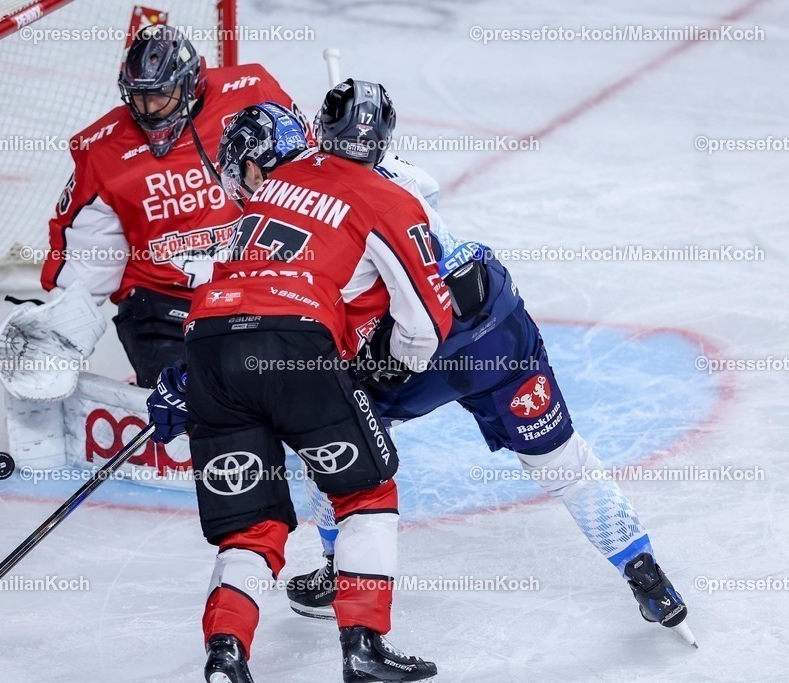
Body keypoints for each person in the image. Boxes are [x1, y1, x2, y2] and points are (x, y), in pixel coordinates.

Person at [282, 80, 695, 648]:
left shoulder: (332, 199)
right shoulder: (403, 174)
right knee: (563, 462)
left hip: (424, 343)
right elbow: (422, 193)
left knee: (326, 442)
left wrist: (390, 365)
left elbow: (409, 316)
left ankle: (338, 570)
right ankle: (645, 571)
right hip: (498, 325)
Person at [148, 100, 451, 682]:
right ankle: (362, 647)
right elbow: (427, 323)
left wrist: (185, 379)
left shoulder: (267, 193)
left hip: (209, 343)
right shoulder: (388, 194)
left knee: (251, 525)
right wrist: (395, 364)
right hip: (296, 341)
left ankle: (226, 653)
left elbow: (227, 290)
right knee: (365, 493)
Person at [40, 24, 301, 387]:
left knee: (280, 386)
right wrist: (61, 332)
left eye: (161, 95)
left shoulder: (251, 94)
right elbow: (90, 249)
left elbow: (303, 174)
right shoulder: (105, 151)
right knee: (194, 399)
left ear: (191, 84)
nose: (149, 110)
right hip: (158, 304)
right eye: (139, 97)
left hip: (249, 290)